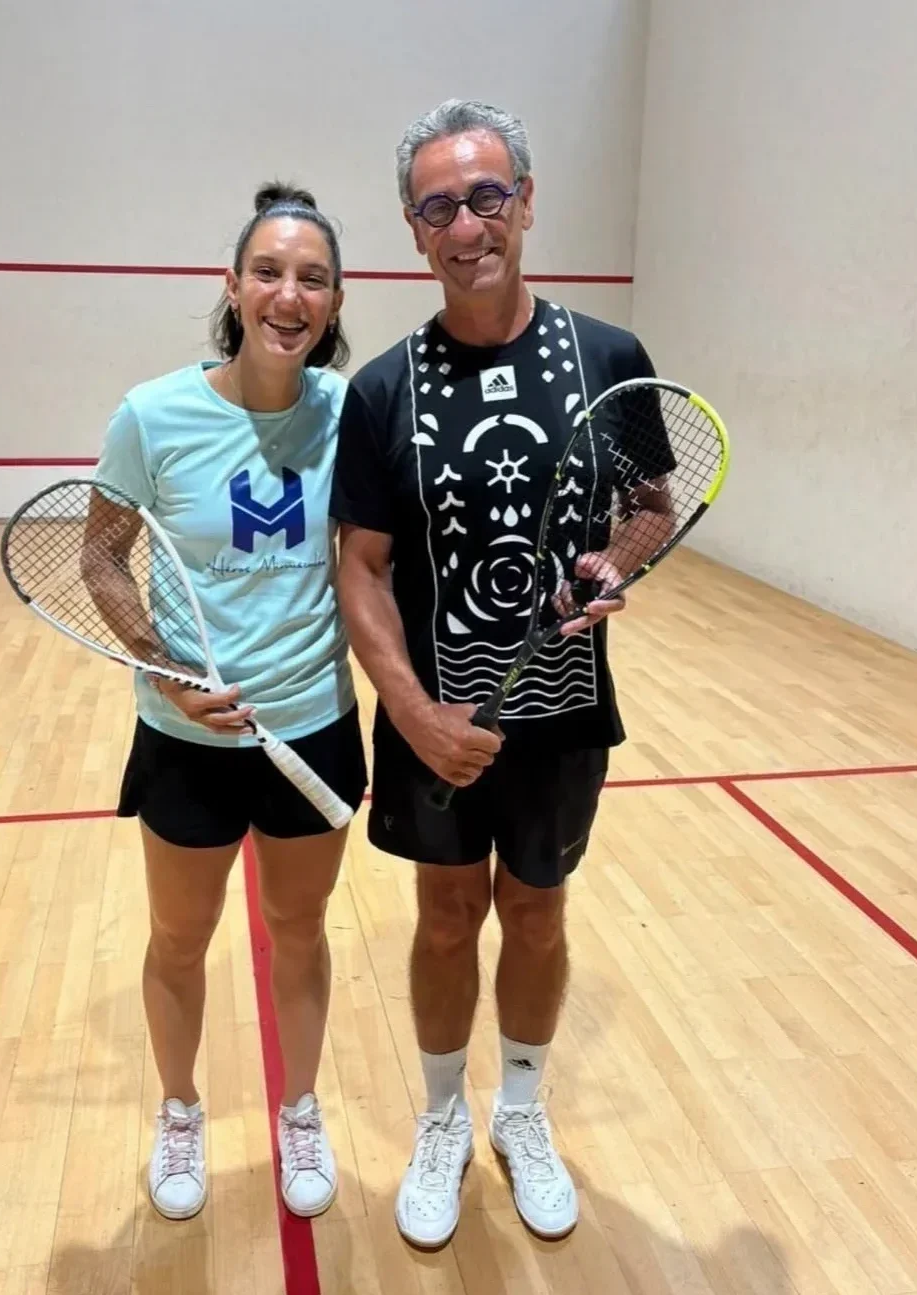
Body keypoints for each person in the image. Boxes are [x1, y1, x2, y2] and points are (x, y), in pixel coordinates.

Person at [329, 100, 672, 1247]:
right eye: (438, 207)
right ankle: (441, 1117)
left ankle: (520, 1109)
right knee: (443, 919)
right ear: (413, 230)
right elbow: (361, 568)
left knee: (535, 908)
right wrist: (414, 714)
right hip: (434, 716)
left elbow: (650, 507)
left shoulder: (609, 361)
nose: (466, 225)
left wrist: (616, 562)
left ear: (524, 202)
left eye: (486, 197)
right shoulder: (382, 390)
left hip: (561, 715)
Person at [93, 182, 366, 1223]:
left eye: (312, 278)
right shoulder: (152, 415)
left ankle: (299, 1107)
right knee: (179, 937)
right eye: (268, 272)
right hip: (185, 738)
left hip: (313, 726)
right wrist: (160, 662)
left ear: (334, 301)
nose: (288, 296)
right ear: (233, 284)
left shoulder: (350, 413)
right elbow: (102, 556)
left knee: (299, 928)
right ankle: (179, 1109)